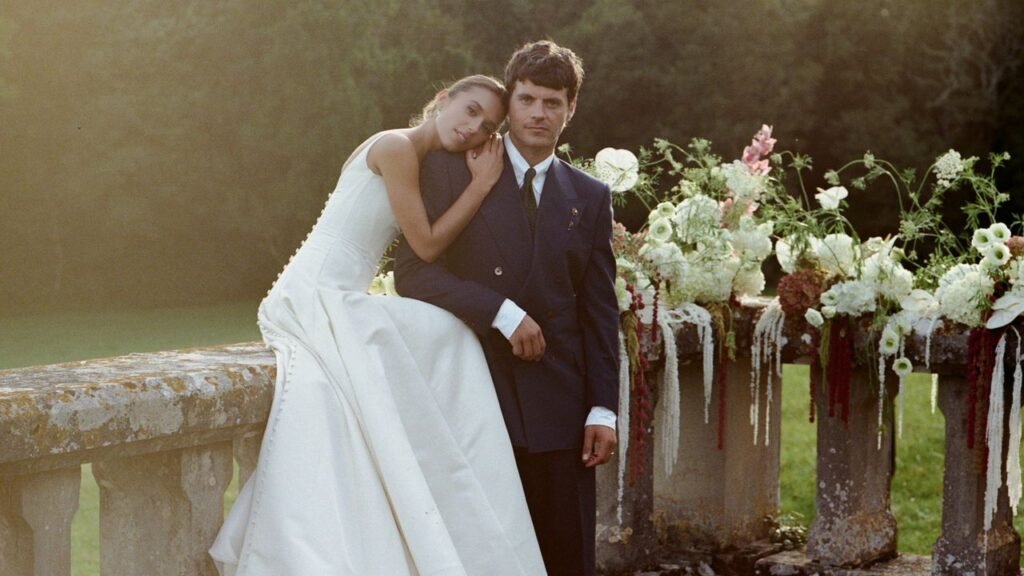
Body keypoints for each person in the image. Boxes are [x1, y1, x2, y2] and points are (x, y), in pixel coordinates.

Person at [209, 74, 547, 576]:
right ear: (441, 99)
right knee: (442, 340)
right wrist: (481, 185)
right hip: (315, 291)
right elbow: (428, 245)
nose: (474, 128)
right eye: (470, 110)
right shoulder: (396, 147)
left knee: (448, 338)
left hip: (346, 293)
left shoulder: (425, 161)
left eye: (487, 126)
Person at [395, 41, 620, 576]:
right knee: (485, 556)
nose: (538, 114)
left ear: (571, 109)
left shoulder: (589, 196)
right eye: (526, 100)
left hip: (562, 408)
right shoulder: (452, 172)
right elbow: (414, 273)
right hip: (477, 397)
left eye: (552, 102)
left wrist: (603, 409)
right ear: (510, 102)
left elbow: (599, 312)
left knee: (565, 558)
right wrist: (500, 310)